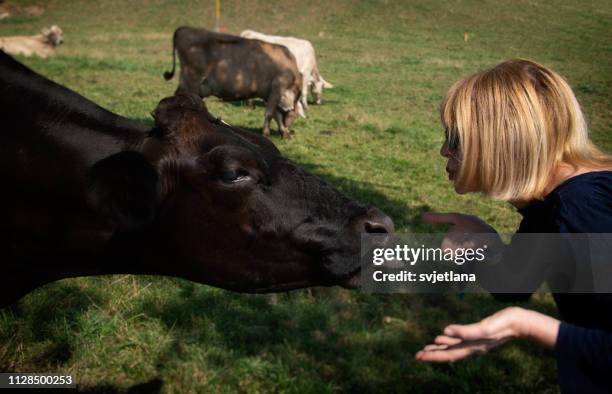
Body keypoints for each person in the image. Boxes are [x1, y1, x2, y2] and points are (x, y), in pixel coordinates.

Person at [414, 59, 612, 394]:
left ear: (503, 141)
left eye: (456, 138)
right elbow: (515, 283)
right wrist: (485, 243)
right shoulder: (550, 202)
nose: (444, 150)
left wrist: (526, 326)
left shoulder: (581, 211)